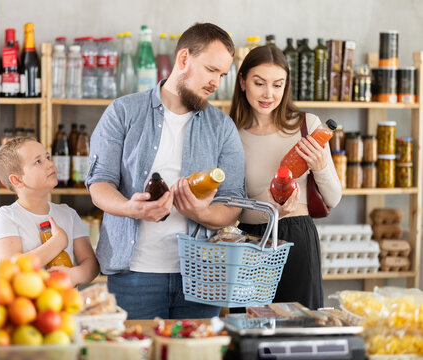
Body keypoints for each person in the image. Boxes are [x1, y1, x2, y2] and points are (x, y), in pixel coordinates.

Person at [86, 23, 246, 319]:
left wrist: (201, 212)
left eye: (222, 75)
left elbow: (232, 204)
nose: (216, 82)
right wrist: (130, 208)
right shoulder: (123, 112)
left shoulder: (222, 128)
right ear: (183, 58)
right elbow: (99, 184)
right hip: (134, 274)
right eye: (211, 70)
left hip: (203, 277)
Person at [229, 45, 342, 310]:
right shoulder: (231, 131)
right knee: (249, 332)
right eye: (259, 83)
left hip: (297, 237)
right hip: (250, 240)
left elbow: (333, 198)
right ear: (243, 81)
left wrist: (321, 165)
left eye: (278, 85)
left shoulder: (308, 125)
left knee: (299, 329)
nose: (269, 94)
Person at [0, 137, 99, 287]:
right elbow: (11, 272)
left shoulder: (68, 214)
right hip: (27, 309)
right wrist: (57, 242)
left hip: (65, 305)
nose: (50, 164)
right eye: (38, 161)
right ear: (17, 180)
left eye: (47, 157)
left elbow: (91, 264)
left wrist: (74, 275)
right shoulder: (6, 217)